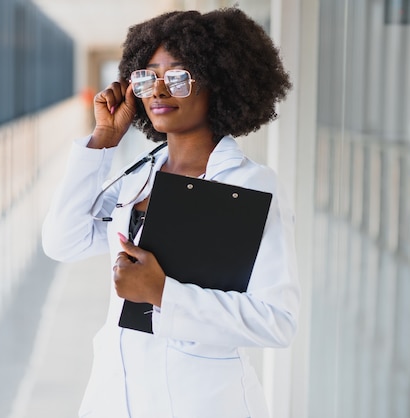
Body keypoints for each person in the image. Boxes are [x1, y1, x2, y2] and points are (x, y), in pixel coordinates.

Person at [42, 7, 300, 418]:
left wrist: (162, 294)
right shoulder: (139, 177)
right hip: (116, 395)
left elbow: (276, 320)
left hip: (202, 400)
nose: (158, 90)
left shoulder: (250, 186)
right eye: (147, 77)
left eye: (177, 77)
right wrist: (103, 141)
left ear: (218, 83)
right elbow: (62, 240)